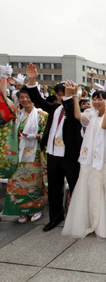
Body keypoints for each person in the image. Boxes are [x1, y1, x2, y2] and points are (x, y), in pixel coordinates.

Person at [61, 82, 106, 239]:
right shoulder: (91, 115)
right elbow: (78, 116)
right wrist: (74, 96)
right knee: (89, 183)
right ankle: (90, 220)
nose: (97, 102)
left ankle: (105, 224)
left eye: (101, 99)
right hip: (91, 155)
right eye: (95, 99)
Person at [25, 63, 83, 231]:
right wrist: (31, 80)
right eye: (59, 95)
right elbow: (38, 100)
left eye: (64, 94)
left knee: (75, 187)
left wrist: (70, 98)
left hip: (70, 156)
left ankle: (78, 219)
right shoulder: (55, 108)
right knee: (54, 188)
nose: (60, 97)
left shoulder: (75, 109)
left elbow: (73, 117)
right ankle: (56, 217)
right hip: (52, 154)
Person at [3, 87, 48, 223]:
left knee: (34, 183)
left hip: (36, 155)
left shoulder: (42, 114)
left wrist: (36, 136)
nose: (25, 100)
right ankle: (20, 210)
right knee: (17, 183)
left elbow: (47, 135)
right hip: (18, 154)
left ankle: (36, 209)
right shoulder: (17, 115)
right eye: (21, 97)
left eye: (28, 97)